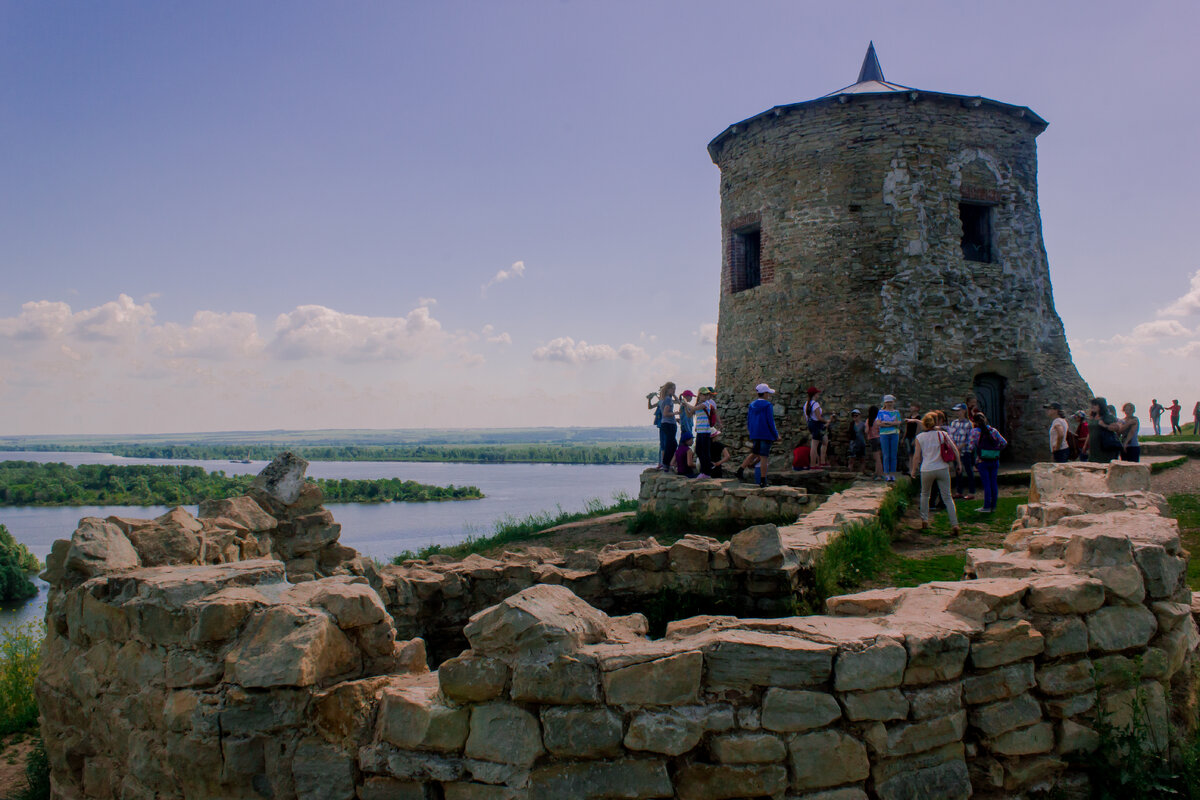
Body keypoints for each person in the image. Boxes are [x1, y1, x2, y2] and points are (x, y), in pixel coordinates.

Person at [910, 412, 961, 535]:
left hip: (927, 468)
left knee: (924, 495)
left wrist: (913, 470)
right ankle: (954, 524)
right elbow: (954, 449)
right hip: (942, 467)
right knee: (947, 497)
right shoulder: (942, 434)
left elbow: (916, 456)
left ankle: (924, 520)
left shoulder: (920, 437)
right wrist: (959, 463)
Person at [737, 383, 779, 488]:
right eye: (767, 393)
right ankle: (763, 480)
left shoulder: (752, 405)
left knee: (754, 453)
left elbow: (749, 420)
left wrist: (752, 432)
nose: (768, 395)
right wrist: (776, 434)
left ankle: (740, 470)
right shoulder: (768, 405)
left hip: (755, 433)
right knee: (764, 457)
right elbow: (770, 421)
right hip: (766, 434)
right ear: (764, 393)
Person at [970, 412, 1007, 513]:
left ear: (975, 422)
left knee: (986, 484)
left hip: (982, 460)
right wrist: (996, 450)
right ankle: (993, 506)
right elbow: (1003, 442)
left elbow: (971, 447)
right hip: (994, 460)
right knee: (993, 483)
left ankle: (986, 506)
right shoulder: (993, 431)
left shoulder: (975, 432)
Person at [688, 387, 720, 477]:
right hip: (700, 431)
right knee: (699, 451)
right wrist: (685, 407)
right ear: (700, 395)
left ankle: (706, 472)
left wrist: (685, 403)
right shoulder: (699, 404)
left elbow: (693, 409)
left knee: (705, 452)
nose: (706, 396)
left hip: (705, 431)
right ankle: (704, 471)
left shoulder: (706, 404)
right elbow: (689, 414)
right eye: (704, 394)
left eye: (707, 394)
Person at [948, 403, 975, 499]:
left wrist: (959, 447)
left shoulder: (969, 424)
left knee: (968, 470)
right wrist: (953, 447)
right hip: (956, 451)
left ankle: (971, 492)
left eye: (958, 410)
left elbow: (969, 439)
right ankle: (959, 491)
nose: (957, 413)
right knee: (958, 471)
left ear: (964, 411)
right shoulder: (954, 423)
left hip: (965, 451)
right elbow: (950, 436)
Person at [650, 382, 678, 471]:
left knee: (671, 444)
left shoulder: (662, 399)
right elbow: (666, 413)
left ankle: (667, 463)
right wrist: (675, 413)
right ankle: (667, 463)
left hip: (664, 424)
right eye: (673, 389)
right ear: (668, 389)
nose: (674, 390)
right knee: (671, 444)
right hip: (669, 424)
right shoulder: (668, 399)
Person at [876, 395, 903, 482]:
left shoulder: (896, 412)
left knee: (893, 455)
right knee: (886, 455)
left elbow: (898, 422)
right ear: (885, 403)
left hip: (894, 434)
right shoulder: (881, 412)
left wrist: (887, 423)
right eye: (887, 402)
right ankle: (887, 474)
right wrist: (892, 423)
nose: (889, 404)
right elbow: (878, 423)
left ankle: (892, 474)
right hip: (884, 434)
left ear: (893, 402)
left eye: (890, 402)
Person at [1086, 397, 1120, 464]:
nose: (1092, 406)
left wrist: (1104, 425)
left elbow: (1116, 428)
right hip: (1094, 448)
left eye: (1095, 404)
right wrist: (1085, 445)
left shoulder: (1108, 417)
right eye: (1092, 404)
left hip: (1105, 447)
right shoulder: (1092, 417)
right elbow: (1090, 432)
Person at [804, 387, 831, 468]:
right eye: (817, 393)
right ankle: (813, 464)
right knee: (814, 444)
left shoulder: (806, 404)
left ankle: (822, 461)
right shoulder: (815, 404)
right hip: (817, 424)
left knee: (825, 441)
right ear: (814, 394)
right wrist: (826, 421)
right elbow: (819, 417)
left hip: (811, 424)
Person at [866, 405, 883, 479]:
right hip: (880, 439)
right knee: (879, 457)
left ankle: (879, 474)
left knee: (877, 458)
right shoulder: (879, 420)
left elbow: (866, 431)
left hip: (873, 439)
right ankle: (876, 472)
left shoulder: (868, 420)